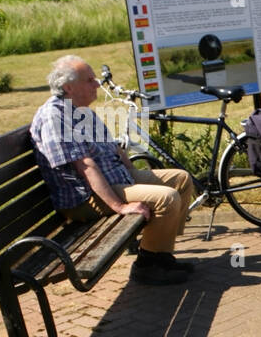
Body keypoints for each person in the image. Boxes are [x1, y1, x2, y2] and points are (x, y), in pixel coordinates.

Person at [30, 55, 197, 285]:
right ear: (69, 87)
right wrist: (120, 206)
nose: (97, 83)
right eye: (89, 80)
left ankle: (161, 254)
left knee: (180, 180)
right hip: (85, 197)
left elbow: (115, 148)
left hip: (115, 179)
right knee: (166, 198)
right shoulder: (55, 117)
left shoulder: (82, 110)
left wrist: (134, 174)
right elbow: (86, 168)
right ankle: (147, 266)